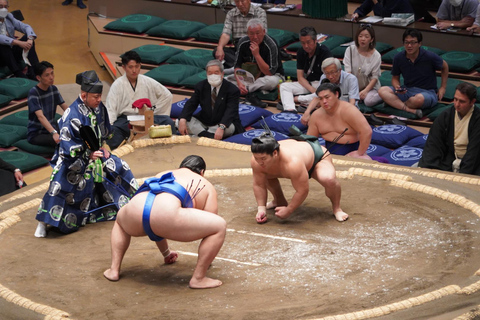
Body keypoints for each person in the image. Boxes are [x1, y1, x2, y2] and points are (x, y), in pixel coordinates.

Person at [34, 70, 137, 238]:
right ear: (84, 95)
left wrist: (102, 147)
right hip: (73, 158)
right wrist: (87, 155)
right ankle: (44, 222)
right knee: (61, 184)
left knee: (119, 166)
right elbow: (67, 146)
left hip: (95, 153)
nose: (99, 100)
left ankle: (130, 205)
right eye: (95, 97)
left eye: (99, 96)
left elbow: (103, 131)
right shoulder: (71, 115)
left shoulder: (98, 107)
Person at [103, 155, 227, 289]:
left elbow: (155, 212)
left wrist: (166, 253)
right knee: (219, 226)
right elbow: (209, 220)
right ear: (202, 172)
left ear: (181, 167)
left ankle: (114, 270)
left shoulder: (164, 173)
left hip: (135, 212)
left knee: (120, 222)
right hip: (167, 216)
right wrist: (206, 260)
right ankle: (198, 278)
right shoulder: (205, 184)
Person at [250, 131, 348, 224]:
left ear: (275, 153)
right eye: (256, 158)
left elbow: (302, 190)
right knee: (263, 173)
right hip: (299, 156)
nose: (259, 162)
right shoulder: (257, 162)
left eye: (263, 158)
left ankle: (337, 209)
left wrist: (289, 210)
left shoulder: (293, 163)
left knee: (328, 179)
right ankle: (279, 201)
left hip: (316, 157)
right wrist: (261, 209)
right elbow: (259, 184)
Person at [105, 51, 175, 150]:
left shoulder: (147, 81)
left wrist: (152, 110)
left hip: (146, 117)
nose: (134, 70)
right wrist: (110, 125)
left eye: (137, 66)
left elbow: (167, 95)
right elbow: (111, 108)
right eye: (130, 67)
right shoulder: (117, 85)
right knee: (114, 131)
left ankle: (167, 149)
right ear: (124, 67)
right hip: (127, 119)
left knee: (168, 122)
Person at [378, 29, 448, 118]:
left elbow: (445, 66)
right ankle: (409, 109)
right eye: (406, 43)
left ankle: (394, 104)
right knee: (382, 90)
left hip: (427, 92)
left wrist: (443, 87)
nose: (409, 46)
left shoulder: (429, 56)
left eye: (413, 42)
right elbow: (395, 78)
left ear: (419, 44)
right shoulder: (399, 58)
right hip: (407, 90)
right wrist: (397, 87)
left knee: (418, 99)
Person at [419, 82, 480, 175]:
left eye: (462, 101)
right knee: (419, 170)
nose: (457, 104)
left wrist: (463, 176)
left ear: (472, 102)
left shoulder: (478, 119)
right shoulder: (446, 116)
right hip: (449, 159)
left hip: (475, 163)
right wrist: (429, 170)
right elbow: (433, 144)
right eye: (455, 99)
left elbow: (474, 152)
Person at [178, 60, 243, 140]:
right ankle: (207, 135)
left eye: (216, 73)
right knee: (180, 122)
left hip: (223, 123)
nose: (213, 75)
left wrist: (222, 126)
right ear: (206, 74)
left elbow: (231, 110)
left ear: (222, 74)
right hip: (204, 121)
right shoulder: (200, 86)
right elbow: (191, 103)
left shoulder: (232, 90)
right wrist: (183, 119)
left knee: (230, 128)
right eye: (210, 73)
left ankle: (201, 134)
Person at [306, 83, 372, 159]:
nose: (324, 101)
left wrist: (359, 153)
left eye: (327, 97)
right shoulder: (316, 115)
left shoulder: (349, 110)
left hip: (352, 151)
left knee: (365, 160)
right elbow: (310, 140)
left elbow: (367, 131)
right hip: (328, 153)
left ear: (336, 94)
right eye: (321, 98)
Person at [230, 18, 284, 108]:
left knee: (271, 82)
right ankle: (249, 90)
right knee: (226, 80)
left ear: (264, 31)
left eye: (258, 33)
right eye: (251, 34)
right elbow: (237, 66)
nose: (255, 37)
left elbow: (270, 72)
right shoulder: (243, 42)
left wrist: (257, 55)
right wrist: (240, 83)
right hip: (249, 76)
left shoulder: (271, 45)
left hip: (271, 77)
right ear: (247, 33)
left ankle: (245, 90)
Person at [277, 26, 332, 113]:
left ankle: (298, 99)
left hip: (321, 84)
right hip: (308, 84)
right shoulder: (300, 52)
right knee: (284, 86)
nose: (306, 46)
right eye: (303, 43)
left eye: (308, 42)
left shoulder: (324, 52)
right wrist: (312, 90)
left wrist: (316, 91)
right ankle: (290, 110)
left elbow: (329, 78)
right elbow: (300, 77)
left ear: (315, 40)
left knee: (324, 94)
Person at [300, 58, 359, 125]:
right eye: (327, 73)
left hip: (347, 112)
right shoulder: (324, 77)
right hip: (330, 111)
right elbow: (317, 98)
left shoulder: (351, 79)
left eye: (332, 72)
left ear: (339, 70)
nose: (330, 76)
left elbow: (352, 103)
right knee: (312, 121)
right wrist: (307, 112)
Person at [214, 0, 267, 69]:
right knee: (217, 51)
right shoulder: (231, 13)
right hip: (238, 48)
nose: (240, 4)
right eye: (237, 2)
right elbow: (226, 33)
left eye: (242, 1)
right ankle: (243, 66)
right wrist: (220, 47)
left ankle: (237, 65)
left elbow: (261, 35)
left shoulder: (260, 12)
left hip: (253, 46)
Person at [27, 61, 68, 148]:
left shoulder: (53, 89)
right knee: (63, 141)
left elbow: (66, 108)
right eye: (47, 75)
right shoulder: (33, 93)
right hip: (37, 133)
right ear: (38, 77)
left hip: (52, 128)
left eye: (52, 73)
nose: (51, 77)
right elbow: (40, 117)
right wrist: (54, 133)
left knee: (74, 133)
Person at [343, 24, 382, 107]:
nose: (363, 39)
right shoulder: (350, 50)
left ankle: (382, 95)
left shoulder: (376, 55)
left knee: (369, 101)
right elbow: (348, 72)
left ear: (372, 39)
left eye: (366, 36)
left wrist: (365, 91)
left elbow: (375, 77)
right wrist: (353, 91)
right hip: (352, 86)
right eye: (360, 36)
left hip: (370, 88)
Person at [0, 0, 39, 79]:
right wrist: (17, 42)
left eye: (5, 7)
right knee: (3, 45)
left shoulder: (9, 17)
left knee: (26, 39)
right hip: (1, 56)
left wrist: (30, 38)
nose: (3, 9)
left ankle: (35, 70)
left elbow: (25, 27)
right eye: (0, 7)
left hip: (11, 53)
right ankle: (18, 73)